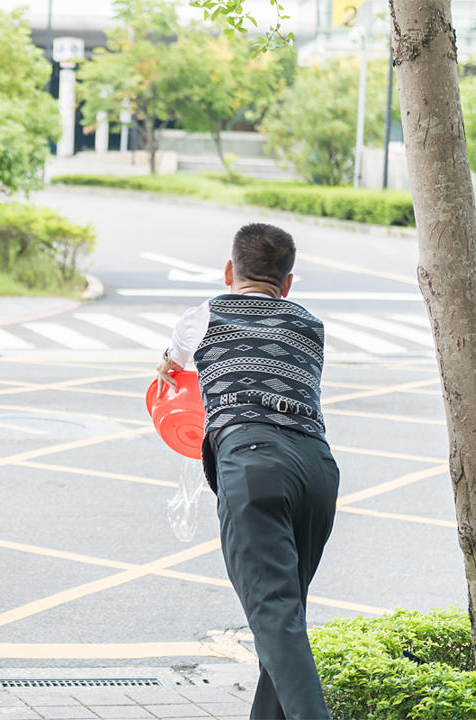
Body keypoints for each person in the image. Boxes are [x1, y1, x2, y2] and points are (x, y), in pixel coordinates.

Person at [156, 223, 339, 720]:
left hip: (254, 466)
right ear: (288, 284)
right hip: (317, 471)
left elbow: (168, 370)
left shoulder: (203, 315)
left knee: (276, 619)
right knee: (282, 620)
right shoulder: (309, 324)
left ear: (229, 271)